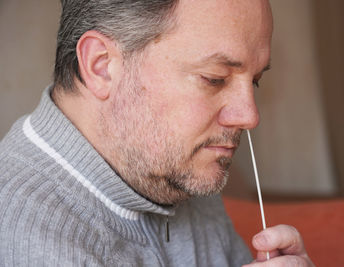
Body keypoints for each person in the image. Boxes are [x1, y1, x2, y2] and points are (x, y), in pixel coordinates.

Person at [0, 0, 314, 266]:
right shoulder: (24, 234)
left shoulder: (179, 166)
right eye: (214, 78)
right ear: (101, 66)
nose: (250, 116)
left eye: (255, 81)